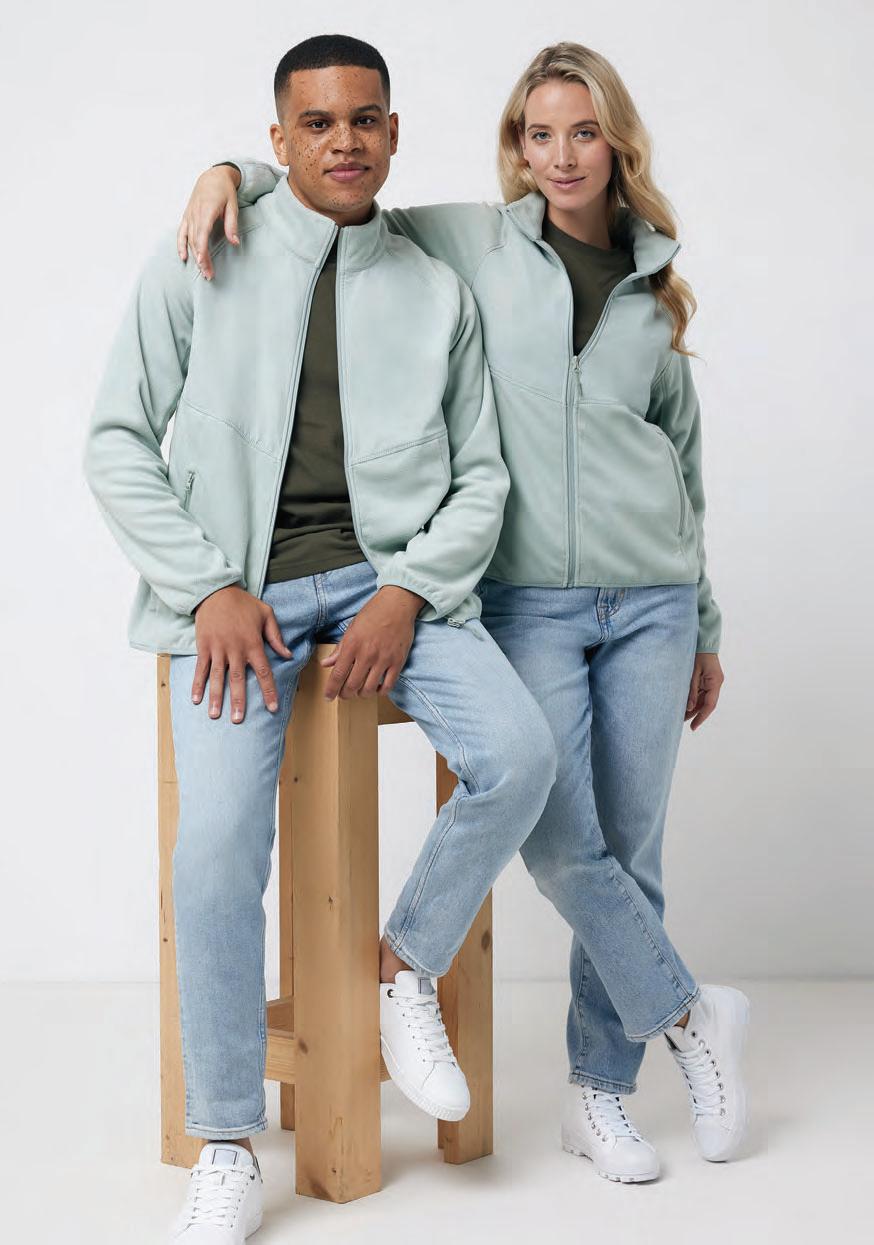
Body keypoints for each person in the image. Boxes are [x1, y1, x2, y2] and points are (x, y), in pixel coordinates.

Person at [179, 40, 751, 1186]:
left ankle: (598, 1094)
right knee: (564, 839)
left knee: (630, 850)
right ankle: (686, 1011)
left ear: (616, 145)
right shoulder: (470, 245)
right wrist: (228, 170)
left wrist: (703, 621)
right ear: (514, 150)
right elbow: (334, 191)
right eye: (538, 135)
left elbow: (681, 469)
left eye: (582, 133)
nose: (561, 155)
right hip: (525, 595)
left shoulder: (654, 291)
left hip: (651, 601)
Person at [83, 34, 562, 1242]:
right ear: (277, 138)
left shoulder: (435, 288)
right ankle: (227, 1142)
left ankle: (405, 968)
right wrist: (205, 586)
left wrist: (409, 591)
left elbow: (481, 479)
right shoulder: (206, 251)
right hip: (233, 603)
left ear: (394, 133)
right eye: (316, 122)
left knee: (520, 754)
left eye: (364, 120)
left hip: (384, 591)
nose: (343, 141)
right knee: (215, 854)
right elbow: (117, 442)